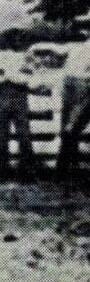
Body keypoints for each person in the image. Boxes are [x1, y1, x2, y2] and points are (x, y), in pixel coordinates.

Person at [57, 13, 90, 174]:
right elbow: (65, 64)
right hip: (69, 83)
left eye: (85, 28)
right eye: (80, 28)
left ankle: (69, 165)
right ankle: (65, 166)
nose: (82, 32)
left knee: (74, 123)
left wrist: (79, 78)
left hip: (81, 84)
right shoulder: (74, 46)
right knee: (66, 126)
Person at [0, 35, 36, 177]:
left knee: (23, 135)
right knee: (3, 135)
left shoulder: (26, 56)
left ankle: (25, 171)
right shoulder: (3, 56)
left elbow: (29, 77)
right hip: (5, 95)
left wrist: (9, 75)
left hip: (18, 96)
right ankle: (4, 171)